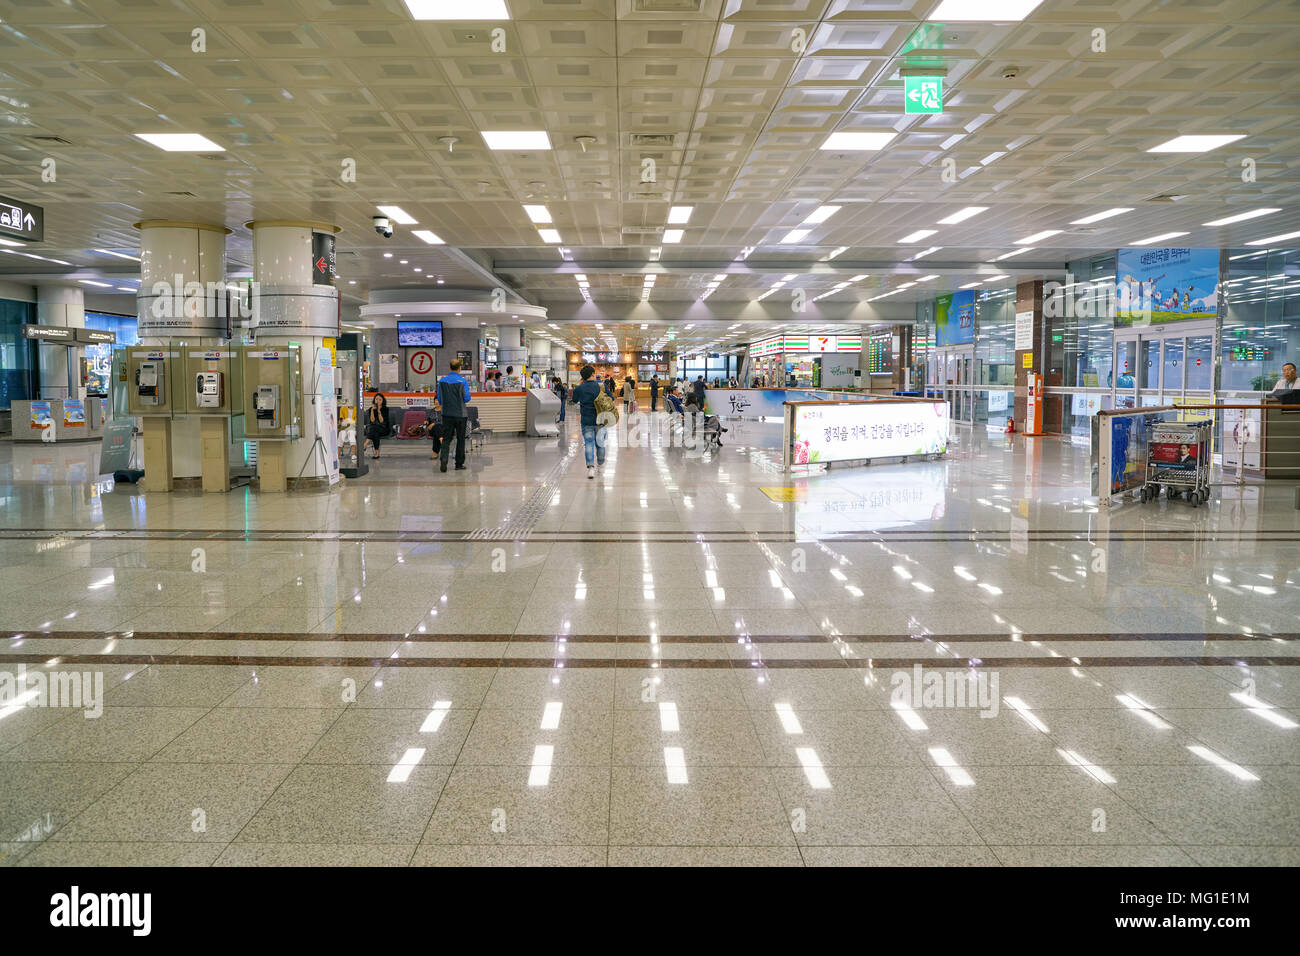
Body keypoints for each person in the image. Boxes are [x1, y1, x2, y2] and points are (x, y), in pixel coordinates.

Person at [570, 364, 607, 479]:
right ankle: (600, 464)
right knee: (600, 443)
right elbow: (611, 398)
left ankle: (591, 468)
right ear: (592, 374)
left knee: (589, 443)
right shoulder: (600, 386)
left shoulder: (579, 388)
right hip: (600, 419)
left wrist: (580, 386)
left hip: (586, 420)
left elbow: (574, 400)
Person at [436, 357, 472, 473]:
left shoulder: (441, 381)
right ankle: (459, 464)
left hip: (446, 414)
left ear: (450, 368)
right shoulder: (462, 381)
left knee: (446, 438)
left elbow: (439, 399)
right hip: (461, 415)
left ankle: (444, 460)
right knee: (461, 439)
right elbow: (467, 398)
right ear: (459, 368)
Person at [363, 392, 391, 460]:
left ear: (382, 401)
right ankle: (377, 453)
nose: (377, 401)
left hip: (384, 428)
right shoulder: (371, 409)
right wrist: (372, 411)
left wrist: (379, 411)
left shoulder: (385, 409)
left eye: (379, 400)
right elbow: (372, 421)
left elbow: (382, 421)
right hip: (374, 429)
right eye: (376, 399)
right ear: (374, 400)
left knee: (373, 429)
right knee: (375, 432)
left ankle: (364, 445)